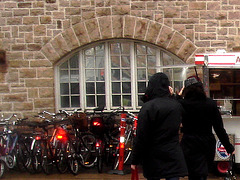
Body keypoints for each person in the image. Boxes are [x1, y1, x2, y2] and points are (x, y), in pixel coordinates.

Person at [131, 72, 188, 180]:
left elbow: (141, 136)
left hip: (153, 156)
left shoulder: (148, 107)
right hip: (172, 154)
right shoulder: (175, 105)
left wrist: (135, 160)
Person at [178, 76, 235, 180]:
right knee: (203, 172)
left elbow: (173, 105)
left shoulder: (182, 104)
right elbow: (219, 129)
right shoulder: (210, 104)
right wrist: (229, 147)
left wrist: (178, 96)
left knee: (193, 173)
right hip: (206, 142)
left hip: (189, 143)